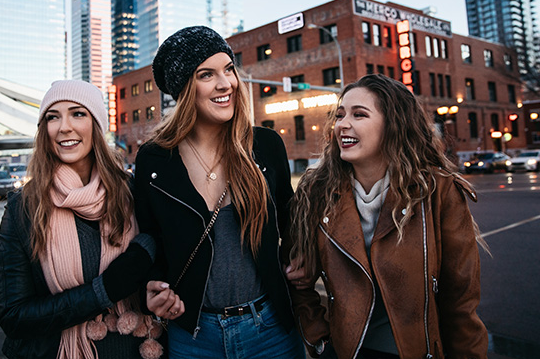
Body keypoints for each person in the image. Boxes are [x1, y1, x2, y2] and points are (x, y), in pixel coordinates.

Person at [286, 73, 488, 359]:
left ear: (393, 125)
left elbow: (461, 302)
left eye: (359, 115)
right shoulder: (316, 193)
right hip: (346, 352)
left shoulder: (437, 191)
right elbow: (296, 278)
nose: (343, 124)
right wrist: (317, 336)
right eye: (341, 115)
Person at [133, 26, 306, 359]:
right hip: (194, 335)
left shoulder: (265, 146)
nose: (226, 83)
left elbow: (290, 222)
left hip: (270, 330)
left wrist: (301, 259)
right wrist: (150, 289)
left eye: (229, 69)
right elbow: (148, 237)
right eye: (206, 74)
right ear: (184, 89)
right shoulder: (155, 159)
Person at [0, 80, 163, 359]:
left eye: (78, 113)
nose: (64, 127)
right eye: (52, 117)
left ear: (96, 125)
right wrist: (102, 291)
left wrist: (152, 276)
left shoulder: (133, 192)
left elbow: (160, 270)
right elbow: (14, 316)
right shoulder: (23, 207)